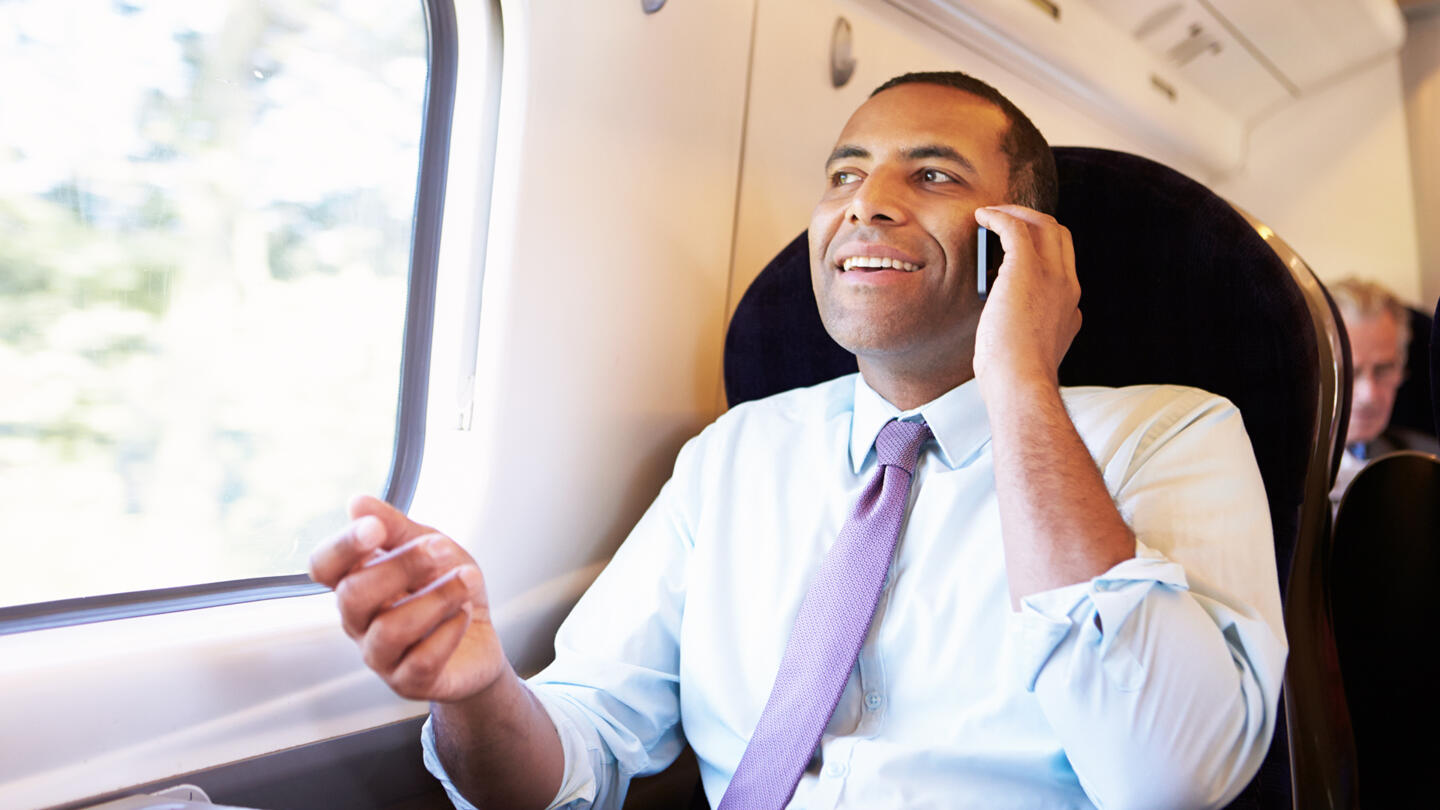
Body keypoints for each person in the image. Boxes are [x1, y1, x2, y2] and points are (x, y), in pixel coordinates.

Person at [309, 71, 1286, 809]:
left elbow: (1169, 777)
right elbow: (584, 749)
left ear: (1023, 239)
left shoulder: (1173, 433)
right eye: (844, 175)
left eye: (933, 173)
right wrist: (477, 691)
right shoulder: (737, 454)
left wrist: (1022, 379)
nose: (866, 201)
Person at [1327, 278, 1440, 509]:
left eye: (1384, 369)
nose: (1369, 395)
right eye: (1350, 371)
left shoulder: (1431, 464)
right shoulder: (1267, 470)